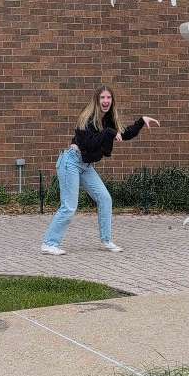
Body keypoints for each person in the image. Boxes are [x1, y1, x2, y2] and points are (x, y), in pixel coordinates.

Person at [41, 85, 159, 255]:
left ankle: (106, 240)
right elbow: (88, 144)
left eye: (108, 98)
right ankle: (49, 243)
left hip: (86, 166)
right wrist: (110, 132)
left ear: (112, 101)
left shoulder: (108, 121)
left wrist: (141, 121)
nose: (105, 101)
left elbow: (123, 134)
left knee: (105, 198)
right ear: (97, 100)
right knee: (69, 206)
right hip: (71, 162)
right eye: (102, 98)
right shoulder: (87, 118)